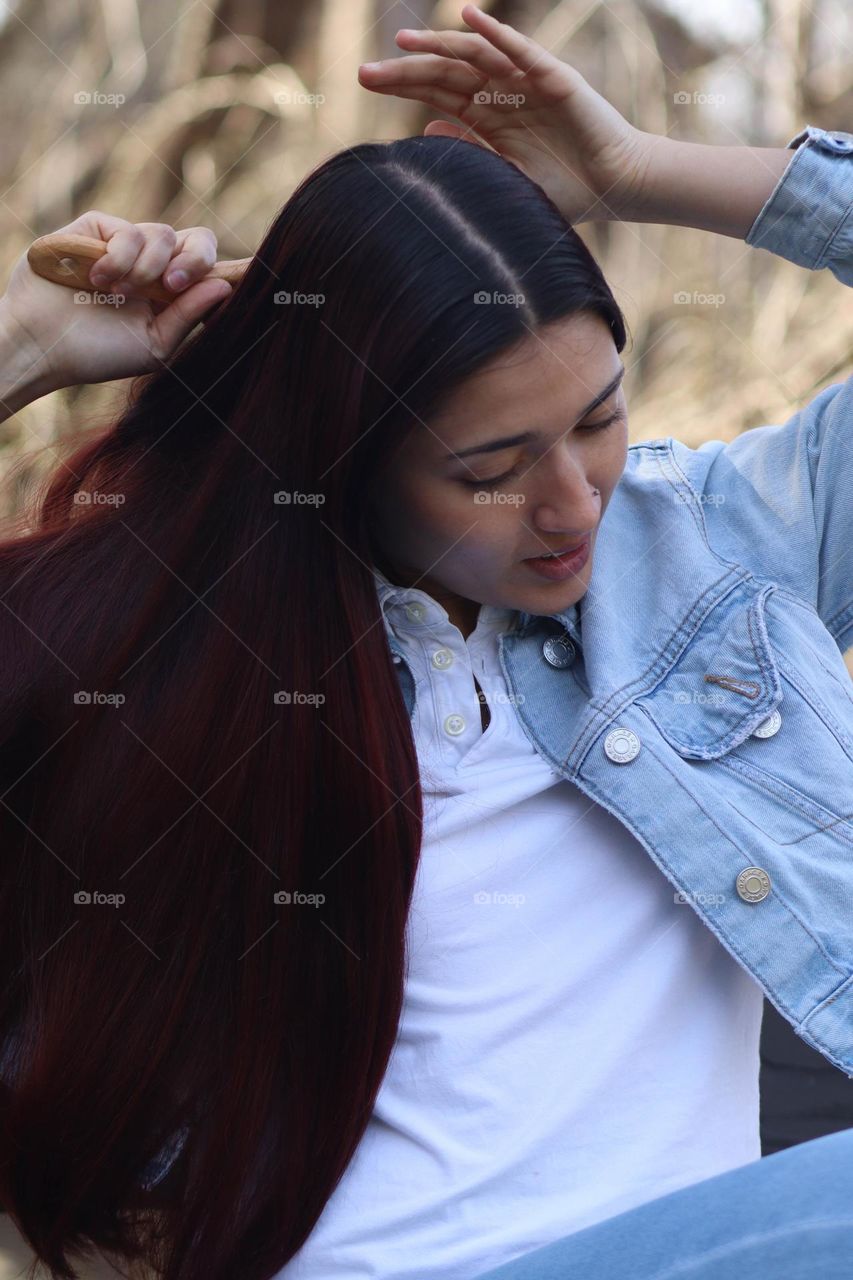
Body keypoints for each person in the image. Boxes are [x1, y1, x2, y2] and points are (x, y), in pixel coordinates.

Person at [0, 5, 851, 1279]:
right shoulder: (144, 651)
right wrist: (23, 344)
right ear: (340, 455)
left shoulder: (718, 549)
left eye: (599, 419)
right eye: (490, 468)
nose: (573, 503)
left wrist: (642, 170)